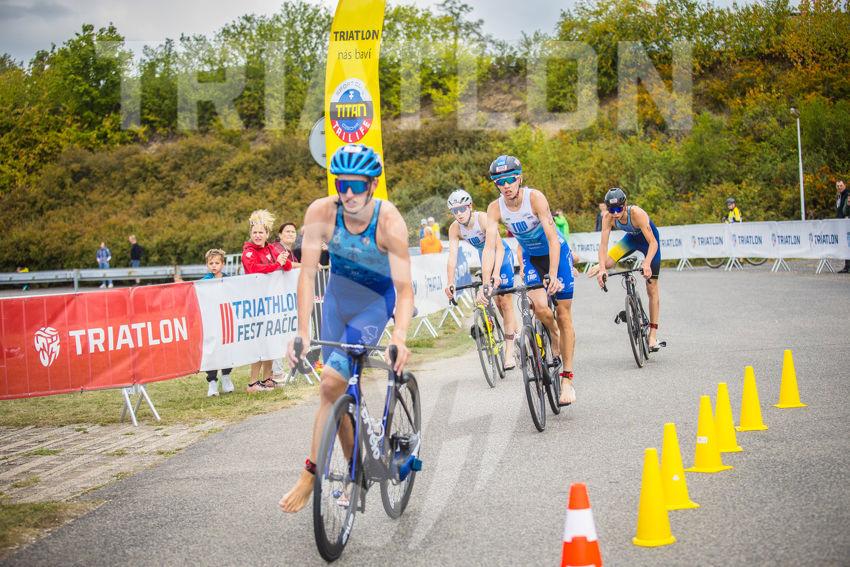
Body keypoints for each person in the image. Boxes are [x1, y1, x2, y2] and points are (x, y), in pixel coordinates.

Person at [280, 143, 414, 514]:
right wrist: (302, 331)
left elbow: (405, 290)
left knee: (331, 382)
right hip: (338, 300)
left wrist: (399, 336)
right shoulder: (321, 212)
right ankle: (347, 472)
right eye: (342, 185)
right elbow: (307, 274)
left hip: (375, 303)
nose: (349, 193)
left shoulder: (389, 221)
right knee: (333, 389)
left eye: (356, 185)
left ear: (372, 185)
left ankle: (314, 474)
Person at [480, 155, 577, 406]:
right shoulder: (495, 208)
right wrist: (486, 282)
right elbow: (489, 247)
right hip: (532, 258)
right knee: (541, 308)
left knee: (563, 314)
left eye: (510, 179)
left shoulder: (535, 198)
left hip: (556, 256)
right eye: (500, 181)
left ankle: (567, 380)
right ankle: (553, 335)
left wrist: (553, 274)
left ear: (520, 178)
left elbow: (553, 238)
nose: (506, 185)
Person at [444, 189, 517, 367]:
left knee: (505, 301)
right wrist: (450, 282)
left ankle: (510, 352)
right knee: (496, 302)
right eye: (455, 211)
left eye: (462, 209)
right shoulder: (455, 228)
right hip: (484, 258)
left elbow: (499, 248)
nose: (459, 214)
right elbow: (452, 257)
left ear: (470, 206)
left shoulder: (483, 219)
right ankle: (512, 331)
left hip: (501, 256)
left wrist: (496, 273)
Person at [590, 188, 664, 350]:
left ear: (625, 205)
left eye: (618, 208)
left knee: (651, 288)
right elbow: (603, 245)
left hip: (649, 244)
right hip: (630, 240)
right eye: (612, 209)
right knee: (607, 263)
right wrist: (602, 268)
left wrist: (646, 263)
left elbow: (653, 243)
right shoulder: (608, 217)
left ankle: (652, 336)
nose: (615, 213)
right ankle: (600, 266)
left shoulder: (636, 213)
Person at [242, 209, 293, 392]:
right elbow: (254, 269)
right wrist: (276, 264)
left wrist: (283, 260)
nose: (257, 235)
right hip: (256, 303)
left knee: (270, 341)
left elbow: (287, 267)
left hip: (271, 303)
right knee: (259, 343)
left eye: (261, 232)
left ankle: (267, 379)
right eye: (254, 232)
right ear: (251, 234)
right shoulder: (248, 252)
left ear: (267, 234)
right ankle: (253, 383)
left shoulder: (271, 248)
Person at [200, 249, 235, 396]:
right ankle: (212, 382)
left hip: (225, 320)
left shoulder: (229, 280)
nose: (214, 266)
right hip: (210, 321)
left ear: (223, 264)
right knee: (212, 350)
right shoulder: (204, 281)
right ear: (207, 265)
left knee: (227, 348)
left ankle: (226, 376)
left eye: (217, 263)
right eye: (211, 263)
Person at [836, 180, 849, 273]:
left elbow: (846, 210)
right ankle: (847, 266)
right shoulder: (838, 196)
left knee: (848, 244)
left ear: (844, 185)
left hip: (846, 222)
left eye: (841, 185)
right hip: (840, 223)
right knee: (845, 245)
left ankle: (848, 266)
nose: (839, 187)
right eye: (838, 186)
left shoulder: (847, 194)